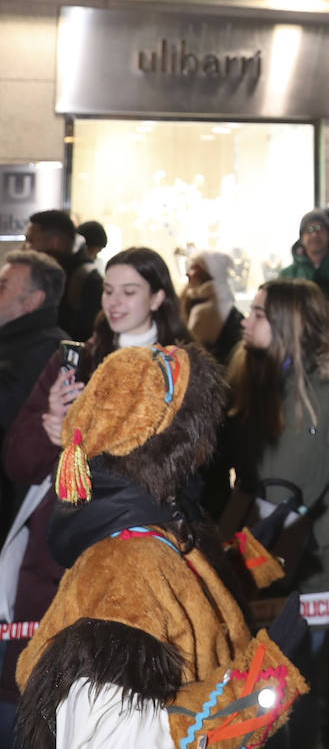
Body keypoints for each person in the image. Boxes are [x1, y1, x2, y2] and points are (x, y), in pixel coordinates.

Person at [16, 342, 307, 747]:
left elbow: (182, 604)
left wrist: (244, 561)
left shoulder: (150, 532)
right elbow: (117, 737)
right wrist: (258, 691)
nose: (204, 456)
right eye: (197, 438)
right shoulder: (123, 567)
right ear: (169, 450)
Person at [0, 248, 189, 731]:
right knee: (33, 698)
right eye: (108, 290)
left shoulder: (179, 371)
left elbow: (187, 470)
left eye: (130, 291)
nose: (115, 302)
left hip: (138, 548)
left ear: (159, 296)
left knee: (120, 705)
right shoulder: (74, 358)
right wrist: (51, 429)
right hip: (55, 548)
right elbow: (19, 461)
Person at [222, 279, 329, 749]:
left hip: (311, 575)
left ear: (287, 325)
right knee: (252, 702)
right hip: (248, 568)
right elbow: (243, 481)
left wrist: (314, 534)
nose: (245, 320)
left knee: (303, 704)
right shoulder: (246, 381)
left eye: (257, 313)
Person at [0, 253, 65, 533]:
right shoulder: (12, 340)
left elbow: (8, 409)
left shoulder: (47, 349)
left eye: (3, 286)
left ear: (33, 301)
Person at [24, 210, 101, 343]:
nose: (25, 248)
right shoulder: (40, 271)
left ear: (55, 241)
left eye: (30, 240)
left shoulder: (88, 280)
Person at [178, 248, 243, 364]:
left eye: (194, 267)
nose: (188, 273)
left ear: (208, 274)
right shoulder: (193, 300)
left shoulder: (206, 311)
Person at [281, 209, 329, 300]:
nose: (314, 234)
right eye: (309, 230)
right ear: (301, 238)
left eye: (319, 228)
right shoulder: (288, 275)